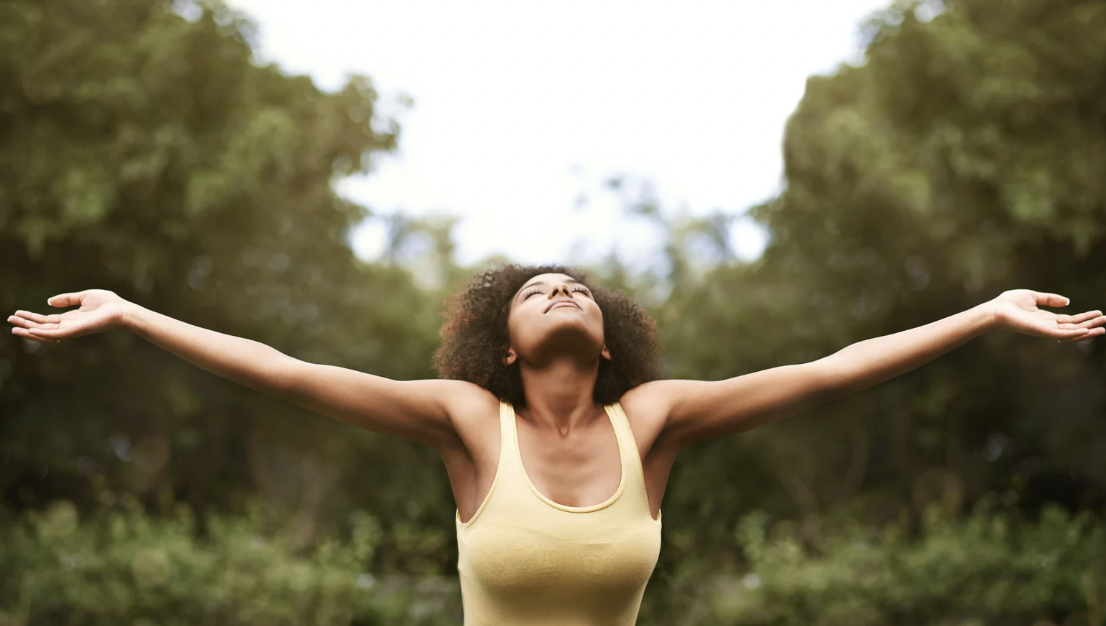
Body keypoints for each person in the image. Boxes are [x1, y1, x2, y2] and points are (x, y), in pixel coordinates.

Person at [7, 264, 1105, 625]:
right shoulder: (469, 423)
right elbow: (292, 371)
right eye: (535, 290)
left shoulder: (655, 420)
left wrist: (980, 313)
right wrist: (135, 313)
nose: (559, 285)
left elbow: (825, 370)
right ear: (502, 346)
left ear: (605, 336)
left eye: (573, 281)